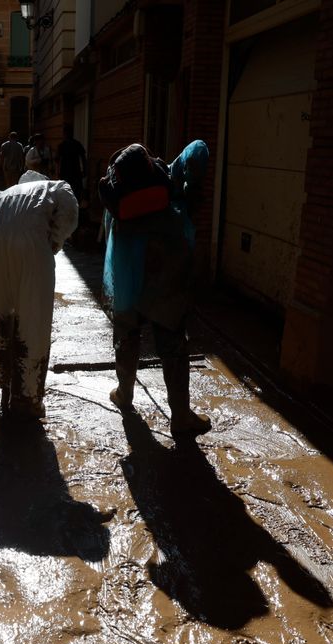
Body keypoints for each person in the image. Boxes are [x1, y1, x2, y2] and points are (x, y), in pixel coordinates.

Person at [100, 143, 211, 436]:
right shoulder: (166, 178)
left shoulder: (117, 196)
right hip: (165, 271)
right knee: (172, 342)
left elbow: (108, 231)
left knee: (126, 335)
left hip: (127, 275)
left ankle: (124, 394)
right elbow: (198, 151)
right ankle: (180, 416)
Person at [0, 171, 78, 418]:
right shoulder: (55, 187)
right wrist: (55, 240)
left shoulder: (3, 196)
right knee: (33, 321)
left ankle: (5, 383)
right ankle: (28, 399)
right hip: (31, 245)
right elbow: (70, 210)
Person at [56, 125, 87, 200]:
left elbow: (57, 161)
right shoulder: (77, 144)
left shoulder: (62, 145)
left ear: (64, 134)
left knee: (66, 192)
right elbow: (83, 159)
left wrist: (58, 173)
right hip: (74, 173)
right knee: (75, 193)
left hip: (67, 173)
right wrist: (85, 171)